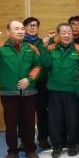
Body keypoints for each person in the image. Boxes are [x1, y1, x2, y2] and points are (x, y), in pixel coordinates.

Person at [0, 21, 42, 158]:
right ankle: (12, 151)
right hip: (9, 93)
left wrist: (29, 79)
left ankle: (30, 149)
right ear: (8, 31)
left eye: (22, 29)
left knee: (29, 123)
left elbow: (38, 66)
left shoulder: (31, 48)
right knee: (11, 124)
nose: (21, 31)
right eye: (16, 29)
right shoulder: (1, 47)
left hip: (28, 92)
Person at [41, 23, 79, 158]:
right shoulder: (51, 48)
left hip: (72, 90)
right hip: (54, 90)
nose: (67, 35)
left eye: (69, 32)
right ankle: (57, 145)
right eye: (63, 32)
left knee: (72, 119)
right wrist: (44, 47)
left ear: (73, 34)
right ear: (58, 34)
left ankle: (72, 144)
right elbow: (46, 64)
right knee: (55, 120)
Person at [23, 16, 50, 149]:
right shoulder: (20, 43)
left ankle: (43, 138)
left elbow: (47, 63)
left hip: (41, 83)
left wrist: (45, 46)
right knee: (24, 113)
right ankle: (24, 140)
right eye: (30, 25)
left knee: (42, 111)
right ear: (24, 28)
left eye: (35, 25)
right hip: (25, 83)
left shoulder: (43, 43)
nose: (33, 27)